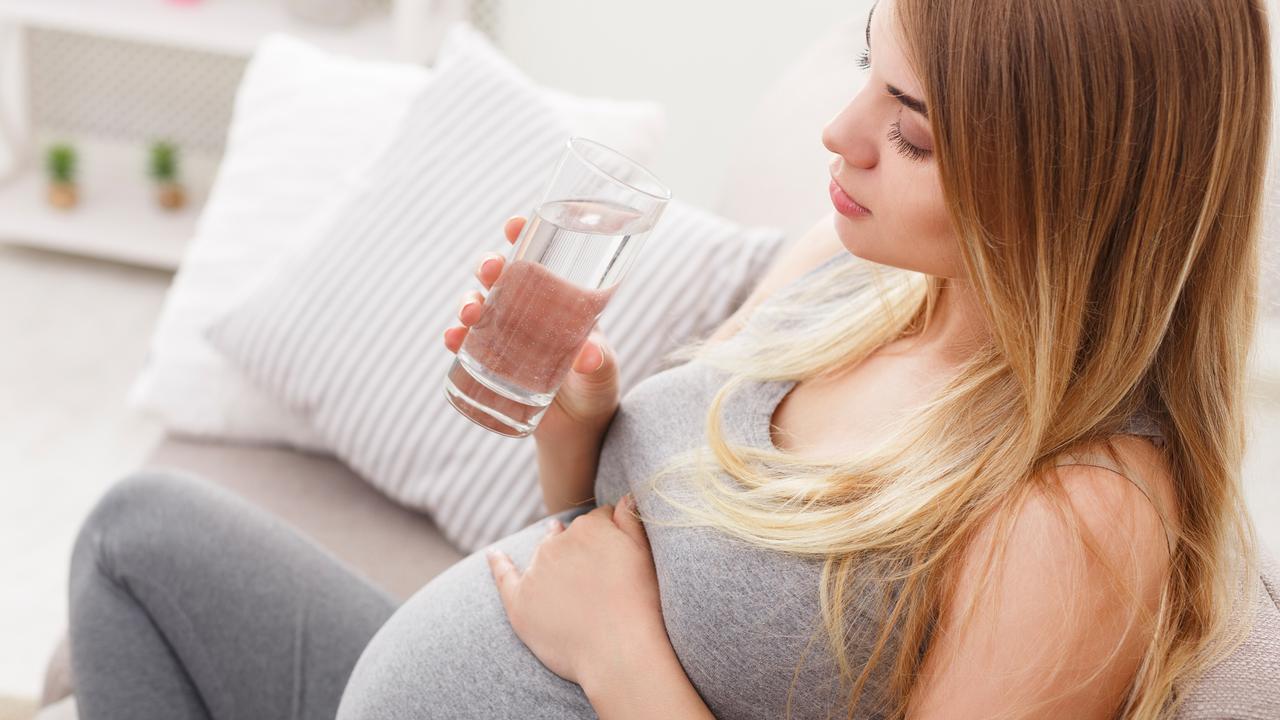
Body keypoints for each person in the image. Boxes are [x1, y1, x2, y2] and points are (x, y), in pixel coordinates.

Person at [67, 0, 1271, 717]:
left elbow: (629, 613)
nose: (840, 133)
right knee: (136, 541)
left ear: (1067, 186)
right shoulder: (855, 274)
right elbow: (612, 542)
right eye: (866, 66)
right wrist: (576, 428)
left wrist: (619, 654)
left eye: (909, 130)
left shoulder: (1076, 515)